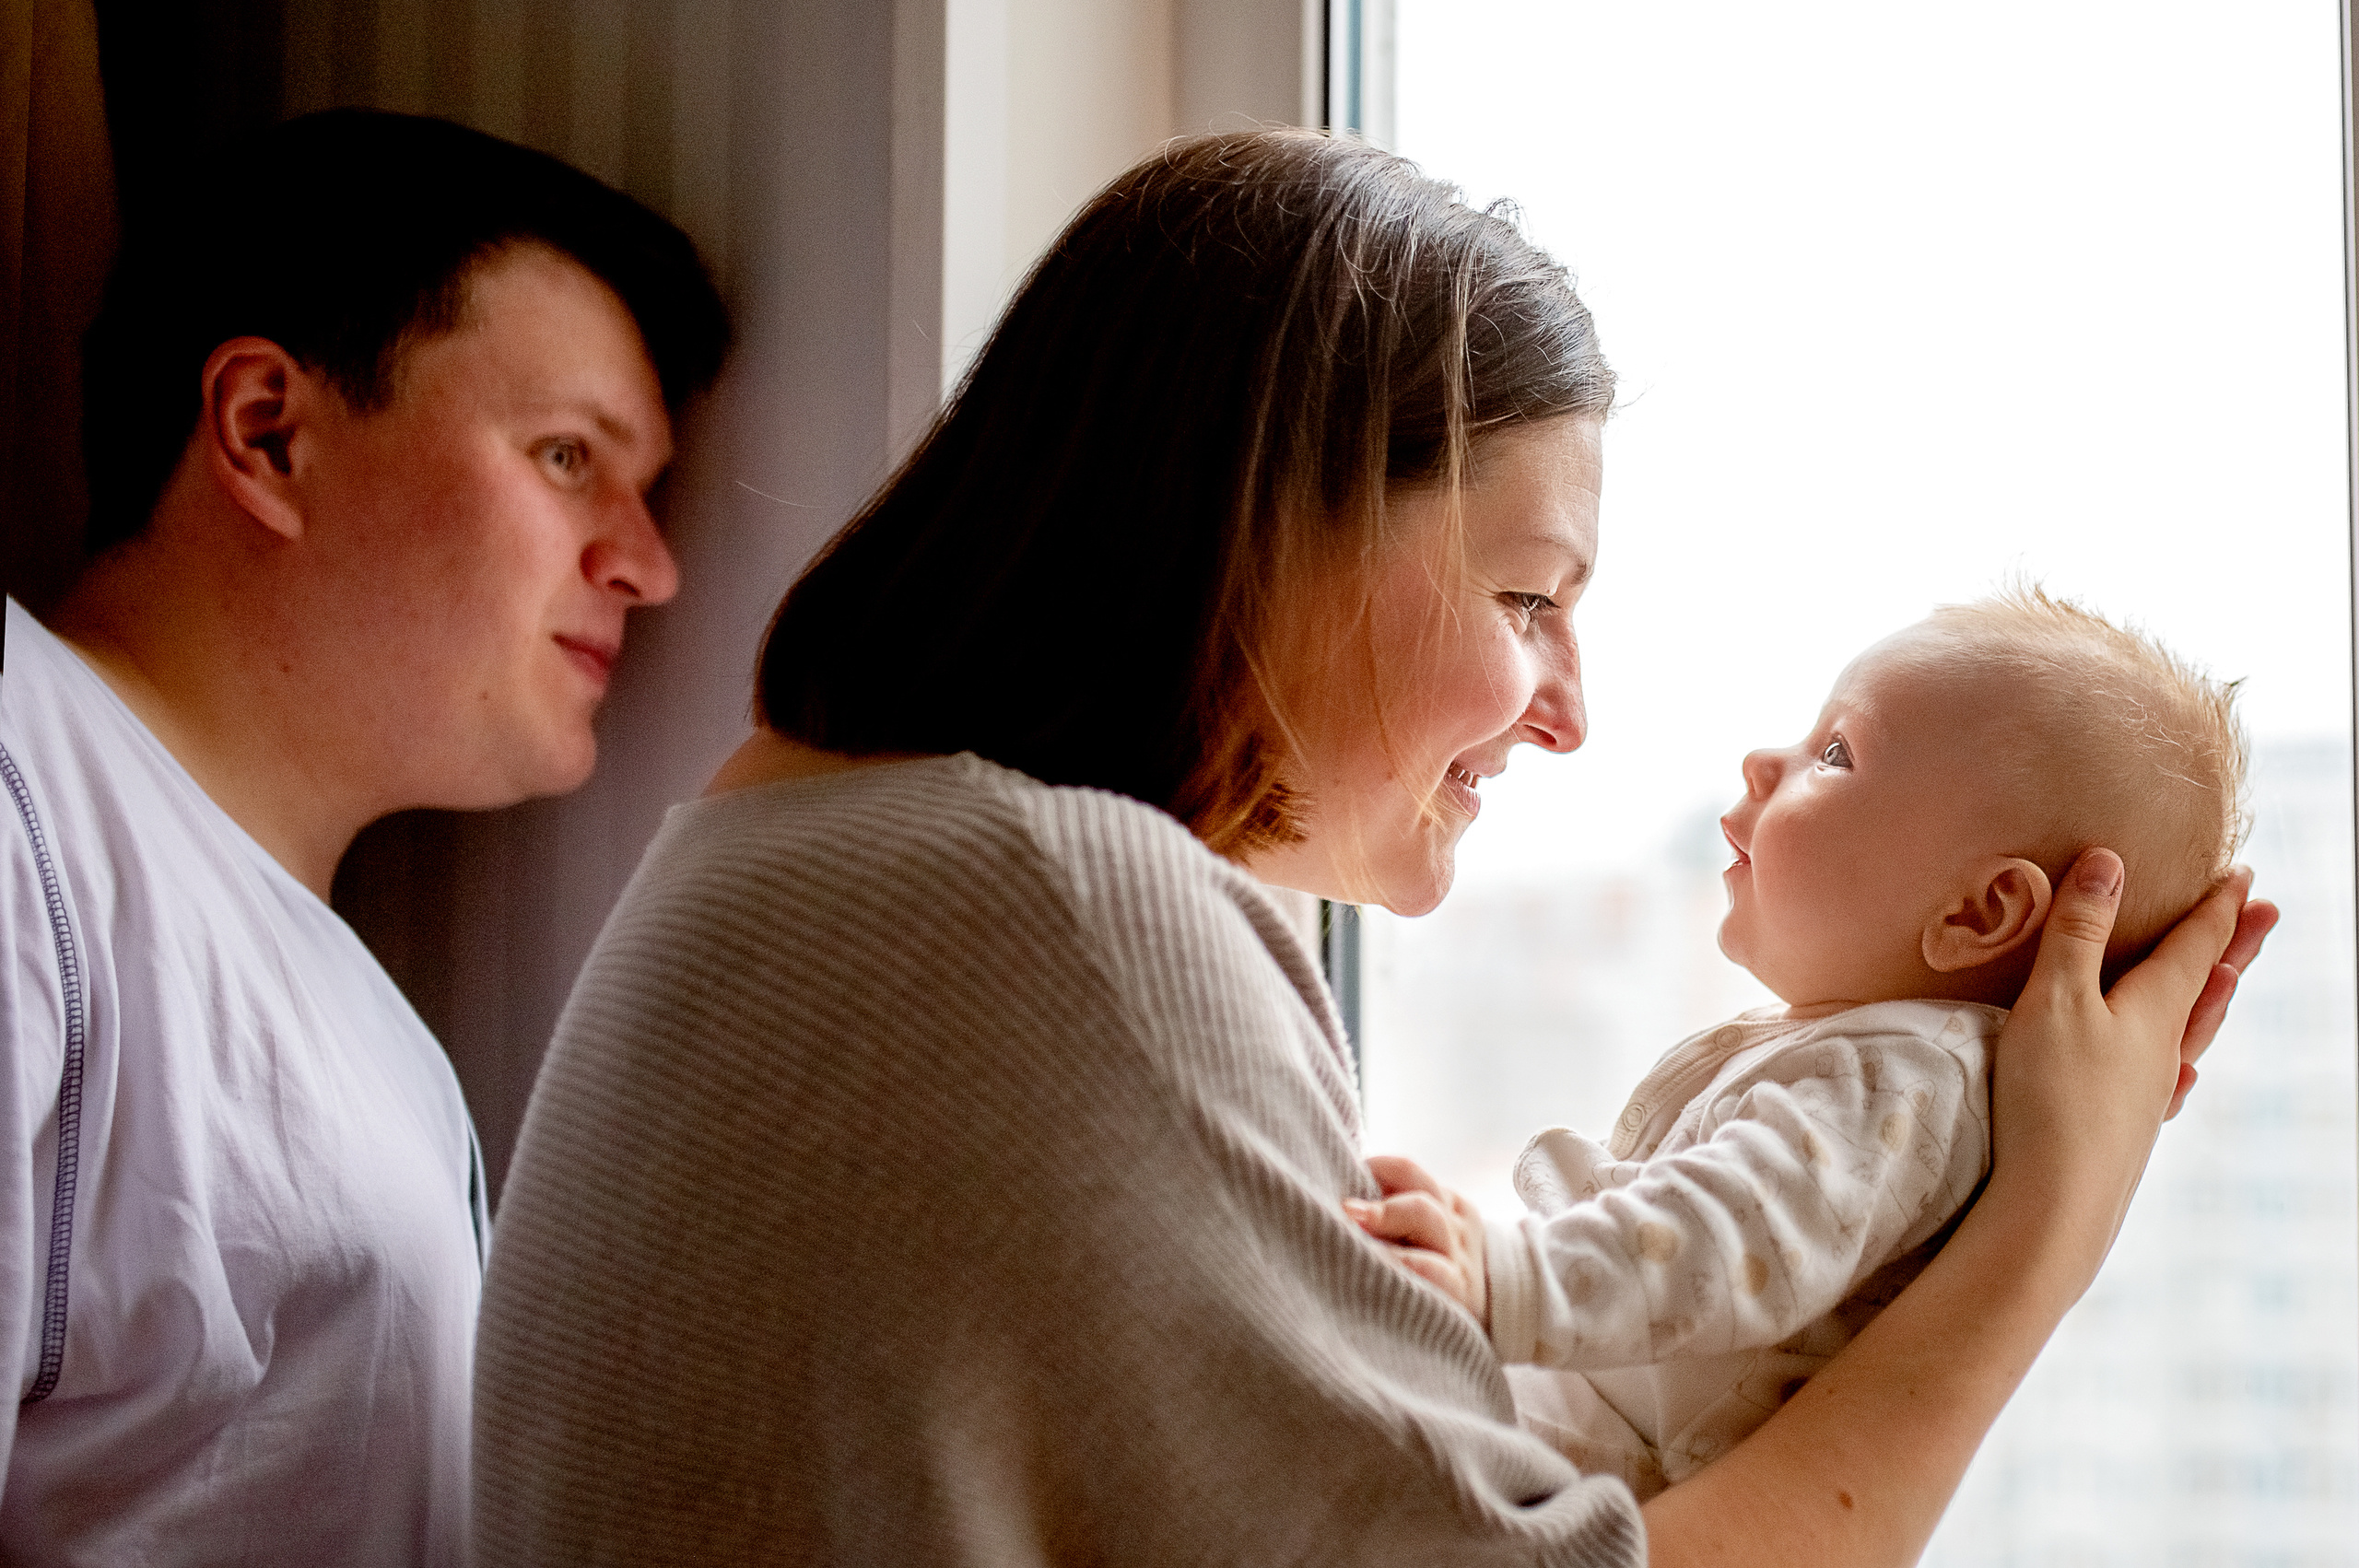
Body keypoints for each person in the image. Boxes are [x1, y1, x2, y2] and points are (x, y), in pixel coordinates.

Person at [471, 131, 2273, 1566]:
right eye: (1522, 595)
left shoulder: (768, 851)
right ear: (1266, 519)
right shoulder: (1072, 908)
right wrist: (2039, 1229)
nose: (1565, 711)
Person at [0, 110, 726, 1563]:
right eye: (569, 455)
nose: (649, 564)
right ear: (268, 429)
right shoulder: (27, 790)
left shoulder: (353, 1011)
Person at [1347, 588, 2248, 1499]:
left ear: (1978, 912)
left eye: (1834, 753)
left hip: (1599, 1474)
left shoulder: (1899, 1079)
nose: (1761, 763)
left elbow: (1732, 1235)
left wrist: (1508, 1278)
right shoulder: (1881, 1063)